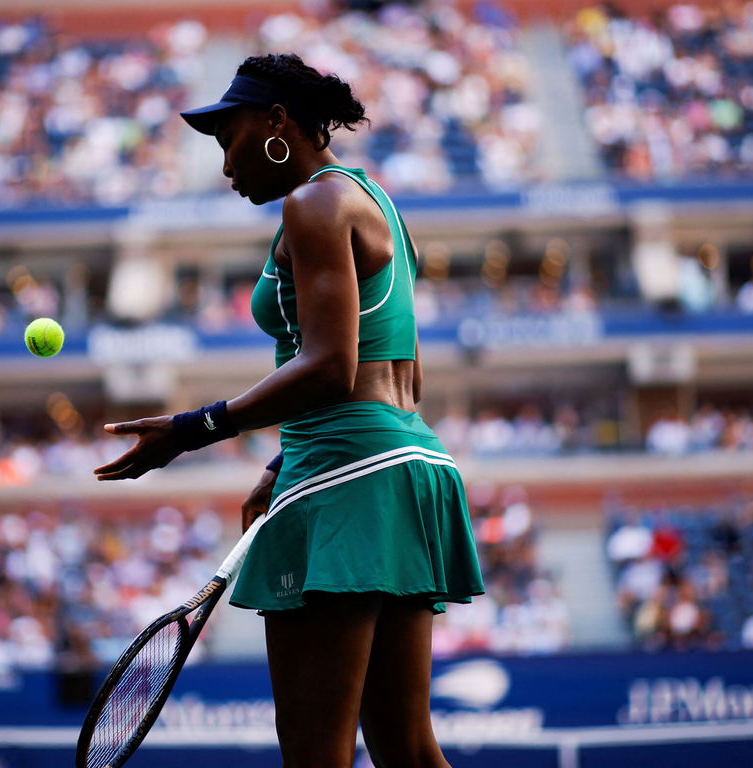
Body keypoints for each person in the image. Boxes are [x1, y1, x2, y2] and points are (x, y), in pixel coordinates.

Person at [94, 53, 485, 768]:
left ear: (277, 123)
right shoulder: (375, 202)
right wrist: (283, 458)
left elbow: (332, 368)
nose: (224, 164)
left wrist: (190, 430)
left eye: (227, 138)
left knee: (314, 754)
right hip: (408, 465)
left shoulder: (312, 204)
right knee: (407, 748)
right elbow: (402, 370)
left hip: (346, 477)